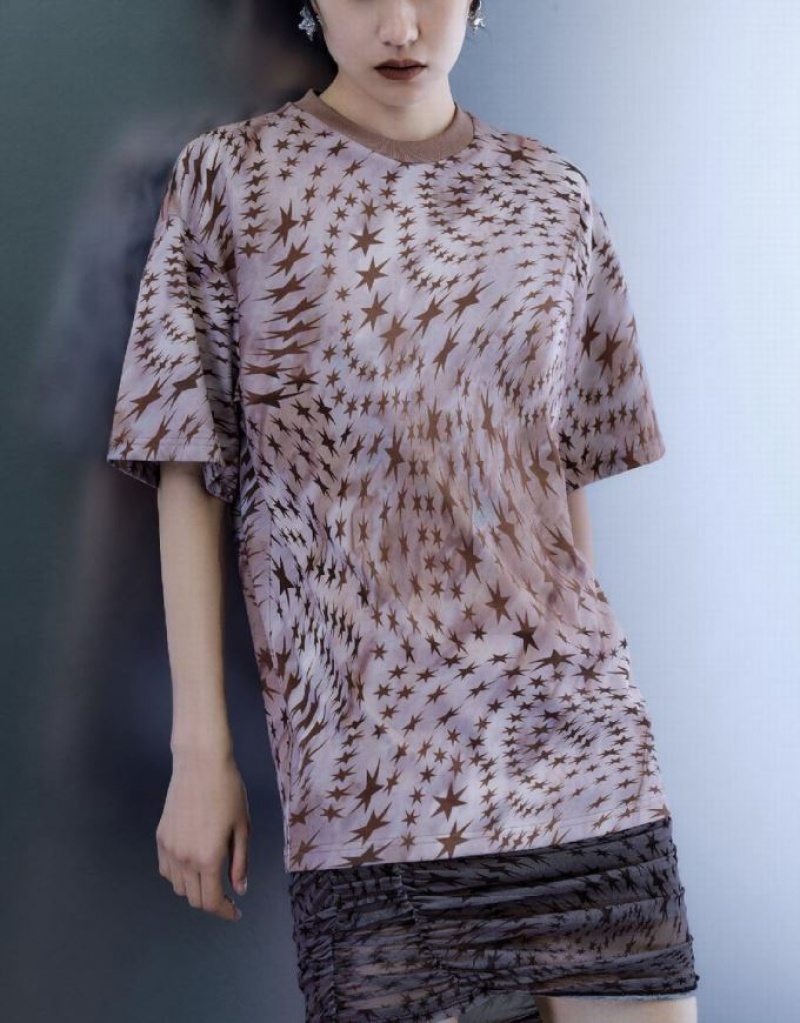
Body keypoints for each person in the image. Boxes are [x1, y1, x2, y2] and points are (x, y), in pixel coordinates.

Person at [106, 1, 700, 1021]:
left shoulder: (551, 196)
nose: (398, 25)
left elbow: (559, 479)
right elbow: (185, 467)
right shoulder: (231, 180)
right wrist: (199, 754)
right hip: (372, 784)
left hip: (580, 761)